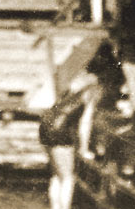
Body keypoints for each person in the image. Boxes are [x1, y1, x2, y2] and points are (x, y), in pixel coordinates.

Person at [40, 71, 103, 209]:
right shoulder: (91, 92)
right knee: (68, 178)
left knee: (57, 175)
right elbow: (85, 123)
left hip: (45, 127)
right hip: (59, 130)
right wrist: (84, 149)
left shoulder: (73, 87)